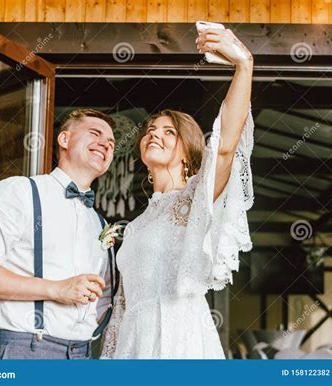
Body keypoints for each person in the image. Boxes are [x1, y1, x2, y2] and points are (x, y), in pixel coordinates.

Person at [102, 28, 255, 359]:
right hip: (133, 344)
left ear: (187, 151)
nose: (154, 135)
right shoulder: (135, 226)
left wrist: (244, 64)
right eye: (150, 131)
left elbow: (226, 146)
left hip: (182, 339)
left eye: (168, 132)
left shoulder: (196, 198)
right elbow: (120, 310)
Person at [0, 109, 116, 359]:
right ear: (64, 140)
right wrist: (56, 289)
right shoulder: (19, 192)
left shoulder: (99, 223)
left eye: (111, 143)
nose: (105, 144)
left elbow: (104, 296)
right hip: (27, 350)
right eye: (95, 133)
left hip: (83, 354)